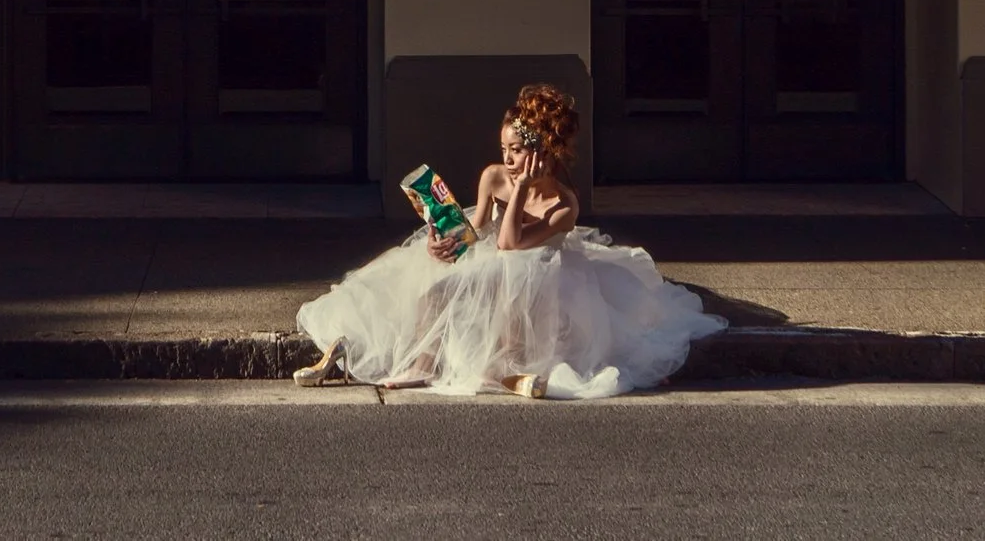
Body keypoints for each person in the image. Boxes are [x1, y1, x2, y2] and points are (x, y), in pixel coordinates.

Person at [291, 84, 725, 398]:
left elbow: (512, 244)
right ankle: (418, 366)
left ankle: (504, 371)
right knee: (433, 288)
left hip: (541, 280)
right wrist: (445, 240)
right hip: (494, 258)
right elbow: (480, 229)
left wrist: (520, 189)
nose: (507, 160)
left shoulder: (563, 205)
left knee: (502, 310)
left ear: (544, 151)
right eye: (504, 149)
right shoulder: (493, 176)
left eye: (516, 150)